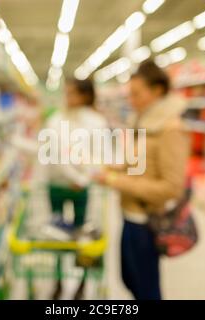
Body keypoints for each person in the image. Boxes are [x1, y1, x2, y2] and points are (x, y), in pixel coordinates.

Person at [95, 60, 190, 300]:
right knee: (129, 278)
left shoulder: (170, 130)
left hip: (146, 223)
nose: (131, 100)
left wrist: (115, 180)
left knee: (146, 289)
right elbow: (142, 165)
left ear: (157, 91)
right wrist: (111, 167)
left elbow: (172, 187)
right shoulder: (145, 123)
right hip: (129, 216)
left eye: (136, 94)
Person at [44, 78, 107, 299]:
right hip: (57, 185)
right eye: (66, 93)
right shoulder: (56, 119)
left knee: (82, 235)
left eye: (72, 94)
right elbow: (54, 153)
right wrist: (74, 176)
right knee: (58, 234)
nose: (67, 98)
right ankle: (59, 280)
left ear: (86, 95)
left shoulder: (96, 122)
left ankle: (81, 284)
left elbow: (99, 155)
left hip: (83, 187)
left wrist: (83, 178)